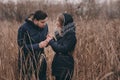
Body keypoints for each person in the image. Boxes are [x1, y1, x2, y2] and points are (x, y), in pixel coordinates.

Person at [17, 10, 48, 80]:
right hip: (26, 60)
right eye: (42, 22)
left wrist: (48, 41)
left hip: (41, 58)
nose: (45, 24)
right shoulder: (23, 28)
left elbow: (44, 41)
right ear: (35, 21)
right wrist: (38, 46)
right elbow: (21, 46)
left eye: (46, 21)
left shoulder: (45, 27)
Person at [46, 13, 77, 80]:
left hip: (65, 66)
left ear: (64, 23)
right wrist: (52, 40)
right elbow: (59, 46)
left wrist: (51, 41)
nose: (56, 23)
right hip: (60, 65)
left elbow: (62, 49)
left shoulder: (71, 36)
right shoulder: (64, 35)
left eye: (58, 21)